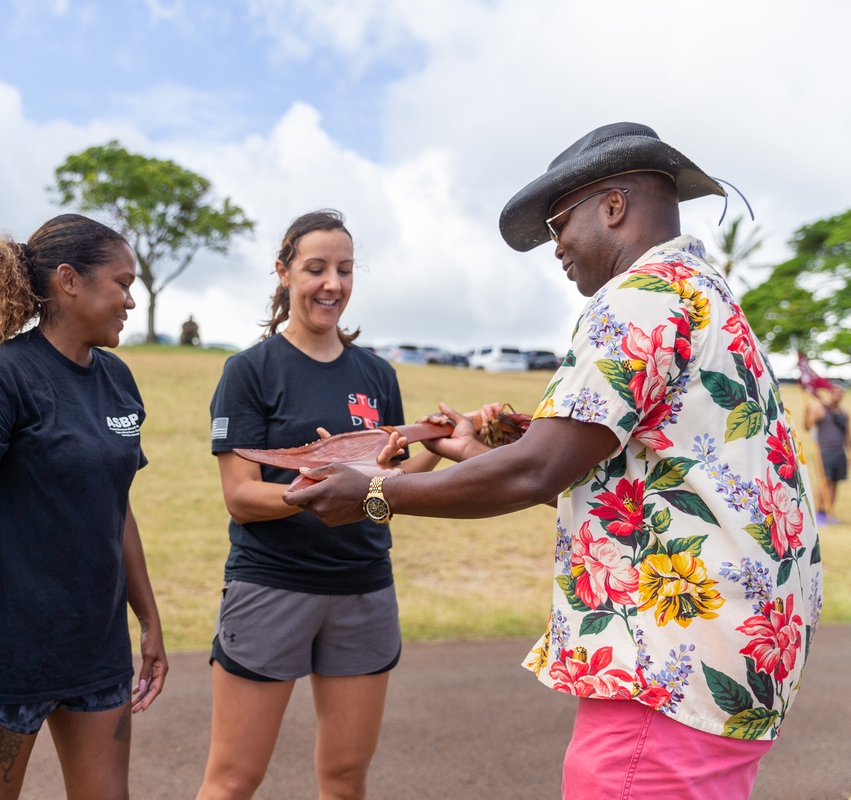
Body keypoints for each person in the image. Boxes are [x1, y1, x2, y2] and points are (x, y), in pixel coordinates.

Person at [284, 124, 823, 799]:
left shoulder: (639, 299)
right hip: (731, 662)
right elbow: (645, 496)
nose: (557, 247)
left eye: (560, 223)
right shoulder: (708, 301)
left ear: (613, 207)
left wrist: (375, 492)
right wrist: (487, 453)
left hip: (664, 674)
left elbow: (536, 470)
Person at [0, 213, 168, 800]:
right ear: (69, 281)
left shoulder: (118, 380)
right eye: (122, 283)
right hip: (3, 662)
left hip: (96, 652)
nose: (131, 301)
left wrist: (149, 620)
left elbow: (117, 508)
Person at [197, 209, 439, 800]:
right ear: (283, 274)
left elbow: (386, 494)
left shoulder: (377, 375)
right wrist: (318, 487)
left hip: (363, 589)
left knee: (346, 778)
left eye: (345, 269)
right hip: (272, 587)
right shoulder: (249, 371)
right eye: (316, 268)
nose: (333, 283)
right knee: (232, 780)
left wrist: (445, 442)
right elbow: (241, 498)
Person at [804, 384, 850, 524]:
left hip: (839, 452)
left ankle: (830, 512)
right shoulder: (821, 410)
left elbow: (847, 435)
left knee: (835, 482)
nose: (837, 395)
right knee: (825, 481)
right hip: (824, 451)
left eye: (839, 393)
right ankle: (820, 512)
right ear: (829, 394)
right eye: (834, 393)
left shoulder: (843, 414)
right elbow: (807, 426)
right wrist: (807, 413)